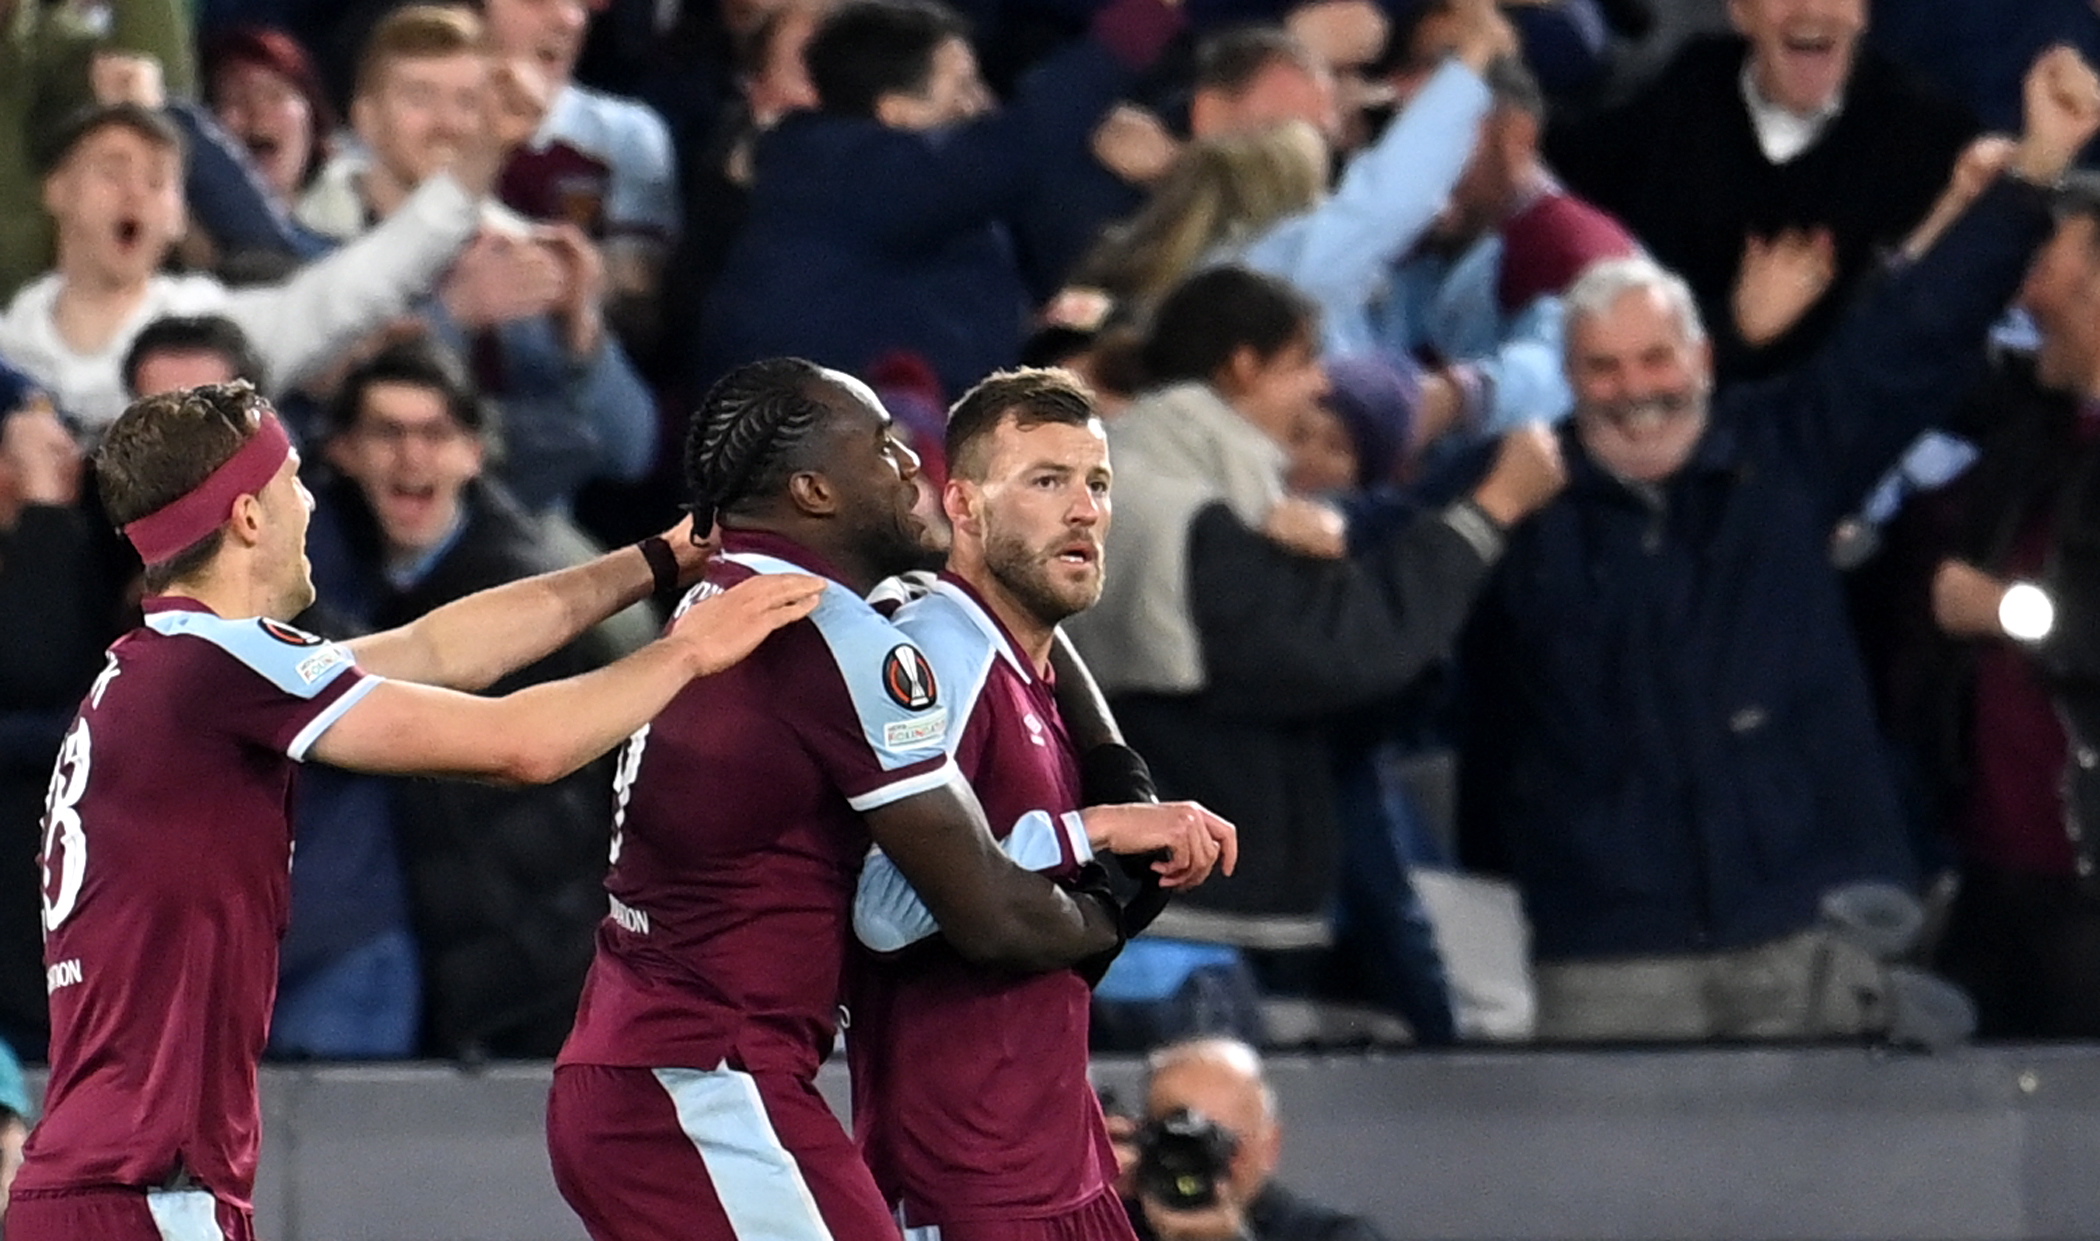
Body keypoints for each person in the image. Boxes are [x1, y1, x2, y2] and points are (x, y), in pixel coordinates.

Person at [9, 379, 824, 1240]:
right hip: (147, 1192)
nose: (312, 498)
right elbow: (524, 744)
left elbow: (438, 649)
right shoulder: (219, 666)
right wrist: (688, 651)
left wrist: (654, 561)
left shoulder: (160, 674)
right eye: (292, 478)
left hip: (102, 1183)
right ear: (249, 515)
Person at [1455, 47, 2100, 1043]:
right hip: (1614, 948)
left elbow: (1911, 339)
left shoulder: (1786, 450)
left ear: (1703, 356)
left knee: (1850, 1201)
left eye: (1657, 357)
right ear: (1571, 381)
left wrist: (2032, 178)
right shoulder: (1516, 501)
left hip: (1814, 924)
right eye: (1607, 368)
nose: (1638, 387)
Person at [547, 357, 1191, 1241]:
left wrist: (1115, 785)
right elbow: (981, 913)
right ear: (814, 489)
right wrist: (1116, 880)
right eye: (884, 449)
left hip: (677, 1066)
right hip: (705, 1083)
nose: (910, 468)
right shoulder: (842, 639)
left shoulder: (731, 601)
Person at [848, 367, 1238, 1240]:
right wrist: (1092, 829)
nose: (1084, 510)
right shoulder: (939, 653)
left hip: (1062, 1161)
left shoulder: (1036, 669)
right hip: (965, 1177)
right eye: (1046, 481)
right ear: (966, 506)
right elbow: (879, 904)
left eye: (1097, 483)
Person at [309, 336, 653, 1056]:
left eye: (434, 433)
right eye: (387, 433)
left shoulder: (518, 597)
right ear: (344, 453)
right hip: (476, 965)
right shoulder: (364, 576)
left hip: (545, 967)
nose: (412, 457)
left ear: (473, 452)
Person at [1872, 171, 2100, 1038]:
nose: (2028, 289)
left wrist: (2004, 610)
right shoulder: (2038, 425)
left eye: (2048, 264)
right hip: (1994, 866)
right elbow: (1904, 352)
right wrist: (1948, 220)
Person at [0, 92, 518, 433]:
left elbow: (359, 285)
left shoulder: (223, 332)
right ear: (57, 190)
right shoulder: (10, 347)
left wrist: (480, 158)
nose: (135, 194)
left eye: (158, 181)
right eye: (113, 172)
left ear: (180, 218)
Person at [1546, 0, 1977, 383]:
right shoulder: (1698, 77)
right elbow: (1575, 161)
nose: (1812, 9)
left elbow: (1872, 360)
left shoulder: (1929, 142)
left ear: (1863, 11)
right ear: (1740, 11)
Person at [1130, 1037, 1389, 1241]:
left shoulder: (1334, 1235)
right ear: (1143, 1140)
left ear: (1270, 1146)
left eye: (1218, 1142)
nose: (1197, 1160)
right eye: (1177, 1141)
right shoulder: (1105, 1224)